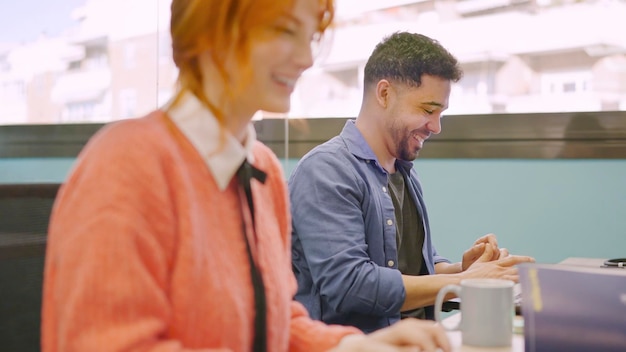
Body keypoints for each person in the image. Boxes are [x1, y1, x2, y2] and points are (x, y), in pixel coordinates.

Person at [41, 2, 452, 352]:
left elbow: (273, 321)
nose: (307, 59)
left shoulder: (261, 170)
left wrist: (354, 345)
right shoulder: (126, 166)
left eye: (309, 38)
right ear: (212, 28)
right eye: (285, 31)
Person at [288, 31, 535, 333]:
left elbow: (416, 268)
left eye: (440, 113)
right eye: (427, 110)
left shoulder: (403, 172)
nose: (436, 126)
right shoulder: (325, 171)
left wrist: (467, 269)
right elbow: (350, 285)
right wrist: (463, 282)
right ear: (384, 94)